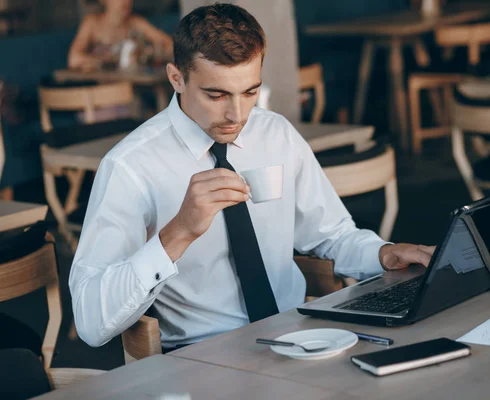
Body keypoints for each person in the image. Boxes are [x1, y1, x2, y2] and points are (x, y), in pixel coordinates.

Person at [69, 3, 434, 351]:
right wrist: (177, 233)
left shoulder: (275, 134)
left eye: (250, 92)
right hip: (200, 355)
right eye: (216, 94)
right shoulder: (131, 166)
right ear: (176, 78)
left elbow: (333, 234)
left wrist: (383, 254)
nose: (237, 114)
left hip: (297, 336)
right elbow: (90, 324)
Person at [68, 0, 173, 70]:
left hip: (133, 90)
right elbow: (74, 59)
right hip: (101, 93)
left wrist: (150, 54)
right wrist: (108, 61)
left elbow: (169, 44)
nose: (126, 1)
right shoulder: (92, 24)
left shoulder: (135, 22)